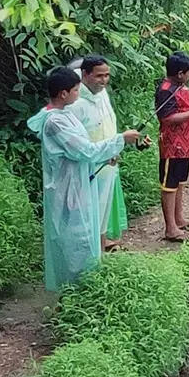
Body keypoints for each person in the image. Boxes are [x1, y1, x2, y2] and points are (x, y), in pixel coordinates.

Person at [28, 66, 142, 291]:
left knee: (85, 235)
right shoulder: (55, 122)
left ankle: (86, 287)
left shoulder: (65, 114)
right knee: (74, 241)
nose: (79, 94)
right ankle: (72, 292)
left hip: (79, 183)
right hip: (67, 189)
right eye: (76, 90)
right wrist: (120, 140)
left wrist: (103, 158)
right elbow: (84, 151)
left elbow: (84, 153)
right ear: (63, 94)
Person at [67, 54, 126, 251]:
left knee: (103, 210)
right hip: (87, 167)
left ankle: (101, 253)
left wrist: (115, 147)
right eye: (99, 76)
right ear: (85, 74)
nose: (104, 81)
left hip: (108, 162)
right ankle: (88, 260)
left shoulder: (102, 94)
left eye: (107, 75)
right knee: (88, 213)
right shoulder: (75, 102)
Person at [155, 51, 189, 242]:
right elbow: (167, 118)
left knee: (180, 182)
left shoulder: (181, 87)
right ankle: (170, 228)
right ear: (179, 73)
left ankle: (179, 219)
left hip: (186, 143)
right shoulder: (166, 91)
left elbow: (182, 109)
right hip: (172, 145)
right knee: (169, 185)